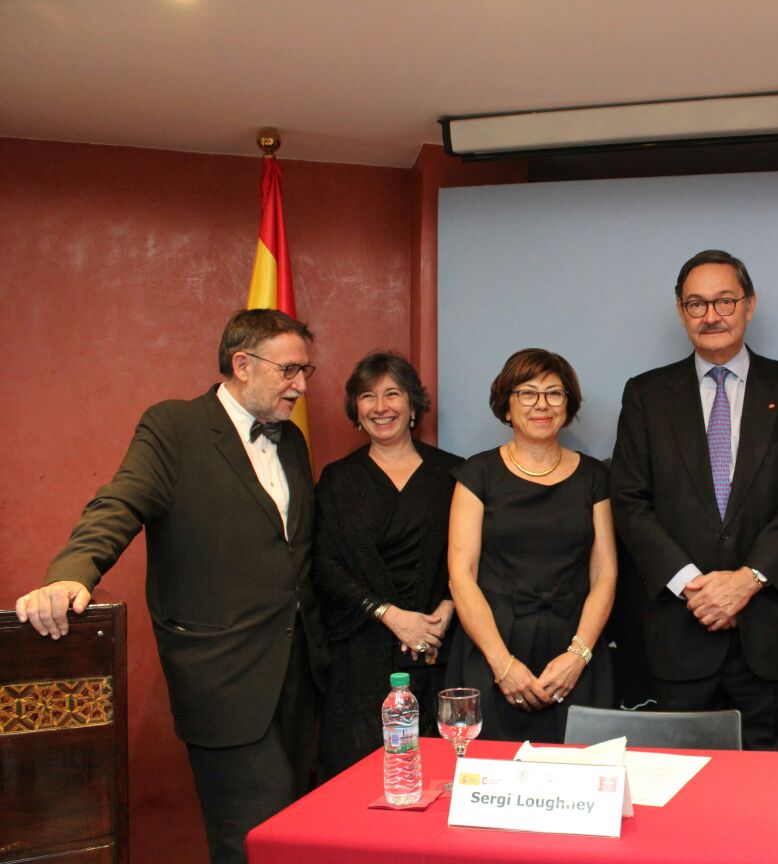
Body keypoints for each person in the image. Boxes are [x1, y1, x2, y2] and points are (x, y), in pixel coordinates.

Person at [14, 309, 327, 864]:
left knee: (295, 831)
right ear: (242, 364)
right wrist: (70, 574)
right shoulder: (174, 427)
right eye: (290, 371)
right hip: (224, 679)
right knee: (250, 841)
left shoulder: (293, 444)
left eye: (306, 371)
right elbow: (119, 503)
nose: (301, 386)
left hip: (298, 674)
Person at [611, 249, 778, 751]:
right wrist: (695, 587)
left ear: (749, 305)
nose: (711, 315)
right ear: (680, 312)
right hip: (680, 634)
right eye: (696, 304)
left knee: (770, 798)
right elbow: (629, 499)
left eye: (725, 301)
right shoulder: (646, 395)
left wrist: (746, 581)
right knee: (678, 798)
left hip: (771, 635)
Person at [445, 348, 616, 743]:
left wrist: (579, 655)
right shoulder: (477, 473)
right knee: (489, 782)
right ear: (507, 406)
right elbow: (461, 575)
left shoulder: (594, 476)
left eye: (554, 394)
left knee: (581, 781)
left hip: (576, 650)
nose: (542, 404)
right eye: (527, 393)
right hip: (493, 648)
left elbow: (605, 573)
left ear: (567, 406)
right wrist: (503, 665)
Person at [312, 351, 462, 780]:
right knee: (359, 783)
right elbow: (323, 565)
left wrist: (448, 609)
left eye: (392, 393)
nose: (381, 407)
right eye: (368, 396)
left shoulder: (454, 473)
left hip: (438, 649)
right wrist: (390, 615)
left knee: (438, 776)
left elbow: (473, 556)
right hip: (361, 653)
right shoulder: (338, 479)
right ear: (355, 410)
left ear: (413, 405)